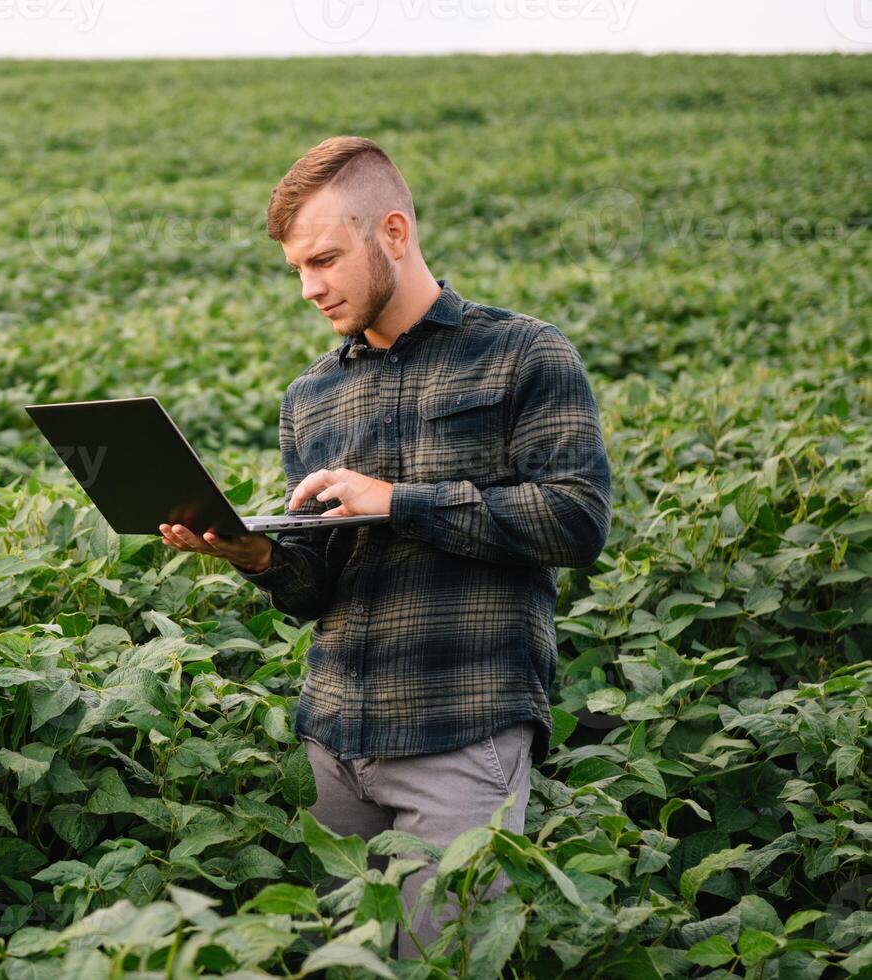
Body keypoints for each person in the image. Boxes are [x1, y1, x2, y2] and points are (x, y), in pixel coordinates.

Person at [157, 135, 612, 959]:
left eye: (325, 259)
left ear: (394, 233)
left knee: (439, 964)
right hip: (333, 745)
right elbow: (318, 588)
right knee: (345, 963)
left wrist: (400, 502)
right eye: (297, 267)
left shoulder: (524, 355)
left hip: (462, 734)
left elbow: (577, 519)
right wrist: (258, 557)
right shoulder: (312, 396)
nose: (309, 288)